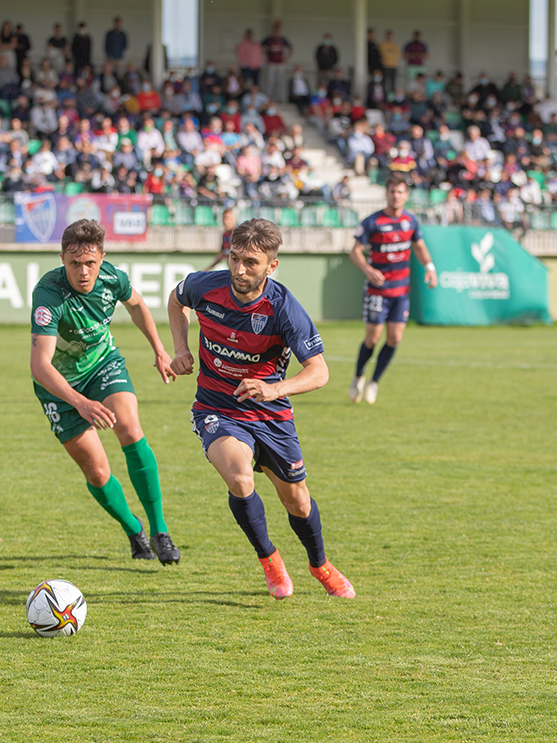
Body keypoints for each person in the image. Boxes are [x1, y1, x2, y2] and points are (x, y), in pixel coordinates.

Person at [168, 217, 354, 599]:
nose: (239, 269)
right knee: (240, 478)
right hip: (216, 407)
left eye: (250, 262)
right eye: (235, 258)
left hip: (270, 415)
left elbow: (319, 373)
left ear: (272, 266)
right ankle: (269, 559)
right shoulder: (207, 286)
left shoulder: (284, 308)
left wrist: (275, 389)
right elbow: (176, 298)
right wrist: (181, 347)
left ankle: (320, 564)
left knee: (298, 501)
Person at [29, 219, 180, 564]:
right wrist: (81, 403)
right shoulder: (49, 294)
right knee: (96, 472)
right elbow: (41, 366)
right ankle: (133, 529)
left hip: (103, 365)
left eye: (90, 263)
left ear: (102, 258)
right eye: (75, 264)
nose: (83, 272)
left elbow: (138, 305)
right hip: (61, 387)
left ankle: (161, 532)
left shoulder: (113, 277)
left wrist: (158, 348)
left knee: (130, 428)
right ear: (62, 260)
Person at [348, 175, 437, 405]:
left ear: (406, 195)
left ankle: (374, 381)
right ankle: (358, 375)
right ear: (386, 194)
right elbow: (355, 251)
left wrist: (429, 267)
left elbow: (419, 246)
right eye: (392, 192)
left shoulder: (410, 221)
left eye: (400, 192)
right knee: (372, 337)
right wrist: (368, 270)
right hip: (377, 291)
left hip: (400, 292)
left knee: (395, 338)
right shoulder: (373, 222)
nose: (396, 196)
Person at [203, 200, 238, 270]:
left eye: (228, 219)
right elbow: (222, 253)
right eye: (224, 218)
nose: (226, 221)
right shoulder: (225, 234)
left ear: (234, 219)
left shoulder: (238, 234)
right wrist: (207, 269)